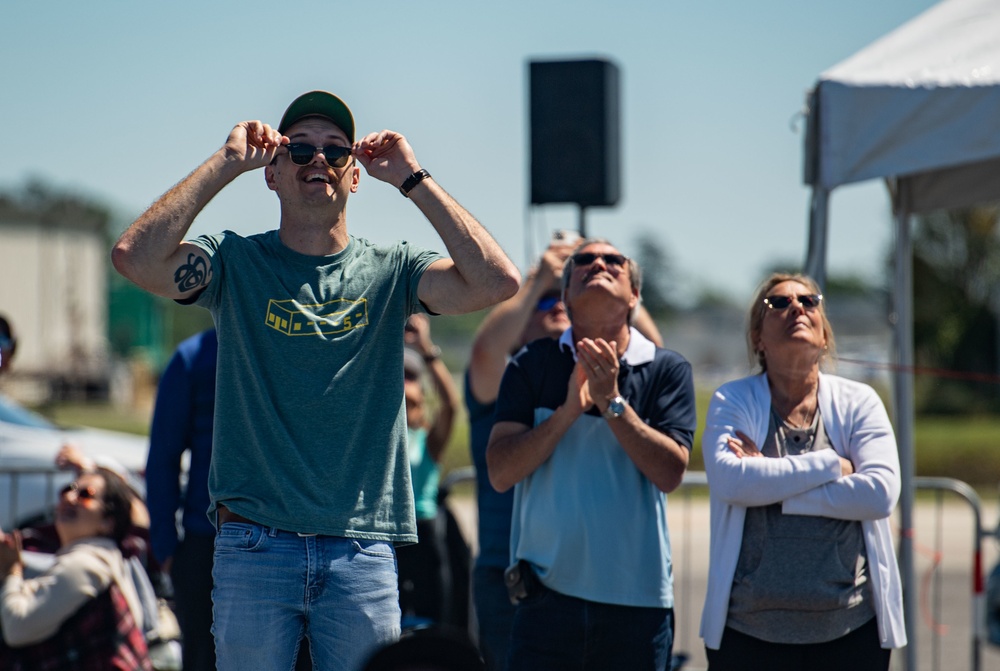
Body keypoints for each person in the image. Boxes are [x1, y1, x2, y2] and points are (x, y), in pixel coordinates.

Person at [111, 90, 520, 671]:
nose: (317, 160)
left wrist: (412, 177)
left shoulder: (393, 268)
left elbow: (497, 282)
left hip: (362, 549)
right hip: (253, 546)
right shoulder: (233, 261)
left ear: (355, 176)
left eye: (335, 150)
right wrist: (225, 162)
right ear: (272, 174)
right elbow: (135, 258)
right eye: (299, 149)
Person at [486, 238, 695, 670]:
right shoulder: (531, 363)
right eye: (583, 261)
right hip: (546, 601)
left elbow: (670, 473)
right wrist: (568, 412)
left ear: (635, 296)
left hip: (637, 607)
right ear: (565, 295)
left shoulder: (666, 369)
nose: (597, 263)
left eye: (613, 260)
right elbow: (501, 472)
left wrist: (613, 404)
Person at [699, 273, 905, 670]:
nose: (797, 307)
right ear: (758, 338)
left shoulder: (859, 400)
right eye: (779, 303)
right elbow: (730, 481)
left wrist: (771, 481)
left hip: (851, 631)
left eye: (809, 301)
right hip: (748, 634)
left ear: (824, 335)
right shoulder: (733, 399)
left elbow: (879, 494)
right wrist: (832, 465)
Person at [0, 469, 152, 670]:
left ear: (108, 522)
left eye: (85, 494)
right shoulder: (105, 557)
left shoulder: (86, 563)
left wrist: (12, 571)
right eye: (67, 490)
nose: (69, 498)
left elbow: (17, 628)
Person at [145, 328, 217, 671]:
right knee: (203, 658)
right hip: (206, 543)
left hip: (288, 537)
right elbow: (163, 457)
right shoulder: (194, 356)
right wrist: (167, 548)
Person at [397, 314, 459, 625]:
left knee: (430, 627)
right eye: (399, 375)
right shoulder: (375, 434)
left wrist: (426, 351)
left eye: (410, 377)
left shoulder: (428, 439)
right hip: (384, 536)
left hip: (424, 534)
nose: (404, 383)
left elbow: (451, 405)